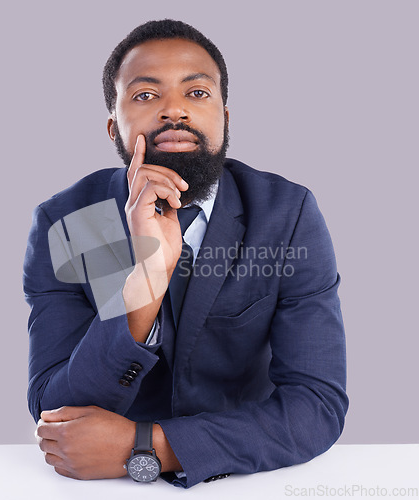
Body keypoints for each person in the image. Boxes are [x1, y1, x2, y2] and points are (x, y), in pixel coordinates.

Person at [23, 19, 348, 488]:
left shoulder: (288, 214)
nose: (174, 111)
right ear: (115, 127)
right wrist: (147, 278)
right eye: (145, 95)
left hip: (251, 482)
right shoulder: (65, 224)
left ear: (226, 117)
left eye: (196, 93)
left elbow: (317, 406)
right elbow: (54, 409)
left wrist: (147, 447)